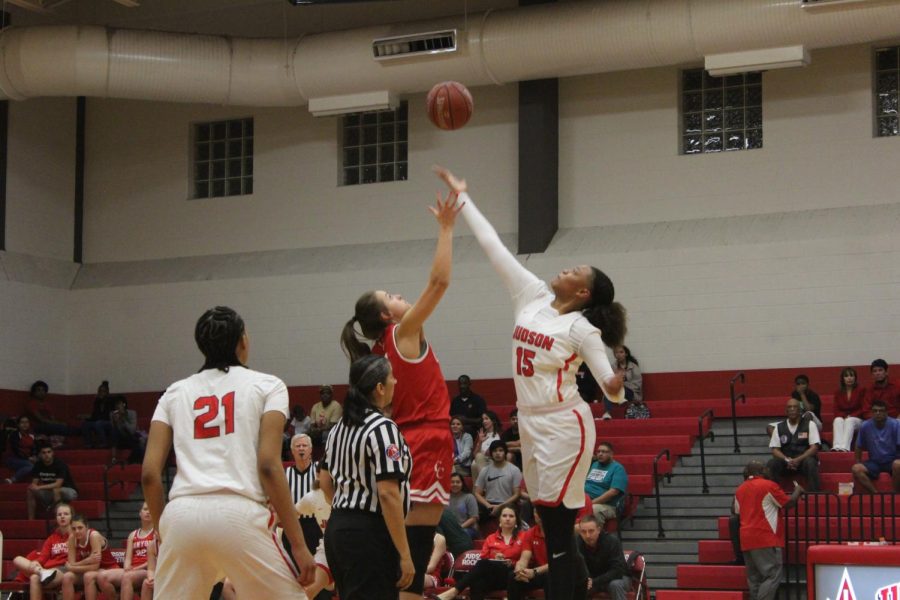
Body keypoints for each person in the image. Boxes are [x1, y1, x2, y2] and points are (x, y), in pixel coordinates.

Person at [436, 165, 625, 600]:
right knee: (548, 524)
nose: (567, 266)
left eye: (578, 268)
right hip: (532, 423)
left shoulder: (581, 329)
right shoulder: (533, 295)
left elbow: (611, 387)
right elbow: (494, 249)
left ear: (584, 293)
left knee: (558, 530)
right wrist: (463, 199)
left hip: (564, 425)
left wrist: (615, 381)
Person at [141, 306, 315, 599]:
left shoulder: (173, 392)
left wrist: (163, 533)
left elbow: (149, 475)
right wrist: (298, 543)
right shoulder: (268, 385)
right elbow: (270, 466)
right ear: (243, 341)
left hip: (181, 514)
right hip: (239, 513)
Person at [339, 189, 461, 600]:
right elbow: (440, 281)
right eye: (391, 296)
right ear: (388, 316)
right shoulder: (402, 333)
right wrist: (446, 228)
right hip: (425, 440)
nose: (399, 294)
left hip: (407, 441)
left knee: (404, 558)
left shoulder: (378, 353)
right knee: (414, 553)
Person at [318, 354, 414, 600]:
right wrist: (405, 554)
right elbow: (388, 493)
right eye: (391, 376)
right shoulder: (382, 428)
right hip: (370, 534)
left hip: (338, 528)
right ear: (380, 388)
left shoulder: (337, 429)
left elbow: (326, 483)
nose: (396, 380)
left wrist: (349, 513)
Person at [734, 460, 803, 600]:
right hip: (765, 537)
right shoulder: (768, 486)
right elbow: (788, 503)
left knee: (754, 579)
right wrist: (798, 491)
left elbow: (736, 512)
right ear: (759, 472)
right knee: (772, 574)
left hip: (746, 538)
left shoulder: (740, 489)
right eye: (764, 468)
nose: (768, 470)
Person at [435, 506, 525, 600]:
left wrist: (512, 562)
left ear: (516, 521)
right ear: (499, 520)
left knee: (481, 567)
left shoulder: (523, 537)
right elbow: (483, 559)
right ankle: (454, 592)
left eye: (511, 516)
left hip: (513, 575)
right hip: (494, 576)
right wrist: (495, 559)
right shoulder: (491, 538)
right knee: (477, 582)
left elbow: (528, 559)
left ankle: (454, 591)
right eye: (504, 516)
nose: (507, 518)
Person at [92, 502, 155, 600]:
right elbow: (128, 558)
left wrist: (135, 569)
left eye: (151, 509)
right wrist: (127, 567)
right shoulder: (133, 534)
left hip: (147, 570)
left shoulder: (157, 533)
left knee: (127, 577)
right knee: (102, 576)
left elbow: (155, 558)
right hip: (132, 569)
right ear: (140, 513)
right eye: (145, 509)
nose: (148, 512)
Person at [12, 502, 73, 599]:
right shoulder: (52, 538)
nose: (62, 517)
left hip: (63, 569)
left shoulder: (75, 535)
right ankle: (42, 572)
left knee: (35, 576)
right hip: (45, 570)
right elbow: (42, 558)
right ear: (56, 518)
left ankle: (42, 572)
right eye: (59, 514)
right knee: (18, 560)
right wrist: (36, 563)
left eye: (66, 514)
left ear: (71, 517)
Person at [60, 514, 119, 600]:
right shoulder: (72, 538)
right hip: (89, 569)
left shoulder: (93, 536)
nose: (77, 531)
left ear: (87, 527)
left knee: (88, 576)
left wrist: (73, 566)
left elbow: (95, 566)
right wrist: (87, 560)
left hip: (108, 568)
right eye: (74, 528)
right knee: (67, 577)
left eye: (80, 528)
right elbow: (71, 563)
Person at [767, 397, 821, 491]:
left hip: (803, 461)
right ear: (786, 411)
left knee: (811, 462)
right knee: (772, 463)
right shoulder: (779, 427)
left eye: (795, 407)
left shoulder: (810, 424)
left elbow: (814, 448)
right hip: (786, 462)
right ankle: (774, 493)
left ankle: (814, 494)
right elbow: (775, 449)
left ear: (800, 410)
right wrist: (787, 459)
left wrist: (798, 460)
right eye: (789, 407)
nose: (792, 409)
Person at [292, 484, 335, 599]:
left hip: (355, 548)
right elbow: (292, 513)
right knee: (305, 593)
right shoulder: (314, 496)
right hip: (329, 547)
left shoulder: (353, 494)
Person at [577, 514, 630, 600]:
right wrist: (586, 581)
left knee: (615, 585)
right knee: (578, 586)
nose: (587, 535)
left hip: (617, 577)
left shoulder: (612, 541)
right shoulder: (577, 543)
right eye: (583, 532)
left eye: (591, 531)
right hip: (594, 579)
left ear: (598, 530)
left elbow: (618, 571)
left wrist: (594, 581)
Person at [851, 400, 900, 493]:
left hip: (892, 459)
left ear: (886, 412)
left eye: (881, 411)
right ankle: (875, 494)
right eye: (875, 411)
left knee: (898, 464)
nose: (878, 413)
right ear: (872, 412)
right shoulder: (865, 425)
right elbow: (858, 446)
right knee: (856, 468)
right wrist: (858, 461)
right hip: (874, 462)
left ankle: (896, 493)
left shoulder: (896, 424)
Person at [285, 433, 322, 555]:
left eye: (304, 445)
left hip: (315, 524)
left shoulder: (319, 470)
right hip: (294, 525)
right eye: (298, 446)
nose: (301, 448)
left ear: (311, 450)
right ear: (292, 451)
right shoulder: (286, 473)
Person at [474, 440, 523, 523]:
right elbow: (477, 493)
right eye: (495, 451)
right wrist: (488, 505)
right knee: (475, 516)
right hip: (488, 504)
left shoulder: (514, 470)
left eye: (500, 450)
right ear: (491, 453)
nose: (497, 453)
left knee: (510, 511)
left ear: (505, 452)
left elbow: (517, 494)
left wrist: (500, 506)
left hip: (507, 503)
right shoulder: (485, 470)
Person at [27, 442, 78, 519]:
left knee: (56, 489)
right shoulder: (38, 465)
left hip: (68, 491)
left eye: (49, 452)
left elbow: (58, 484)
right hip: (49, 491)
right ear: (40, 455)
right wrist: (34, 487)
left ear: (53, 453)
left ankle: (59, 519)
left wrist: (39, 487)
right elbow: (34, 484)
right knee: (30, 490)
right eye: (43, 453)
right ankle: (31, 520)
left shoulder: (60, 464)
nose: (46, 455)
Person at [508, 510, 549, 600]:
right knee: (513, 577)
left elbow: (557, 563)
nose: (539, 516)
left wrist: (534, 571)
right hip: (538, 573)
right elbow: (524, 558)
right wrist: (519, 569)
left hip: (555, 573)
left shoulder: (559, 533)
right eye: (537, 512)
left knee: (549, 576)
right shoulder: (530, 533)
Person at [585, 441, 628, 523]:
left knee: (594, 509)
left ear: (611, 454)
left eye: (604, 452)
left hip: (608, 505)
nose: (600, 454)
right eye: (598, 451)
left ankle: (597, 535)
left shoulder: (618, 468)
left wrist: (591, 503)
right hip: (586, 500)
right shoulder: (593, 464)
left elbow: (613, 492)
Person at [831, 367, 864, 452]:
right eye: (846, 376)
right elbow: (836, 409)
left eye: (851, 376)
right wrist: (844, 416)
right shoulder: (838, 392)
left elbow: (863, 408)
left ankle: (845, 447)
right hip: (844, 417)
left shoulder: (861, 390)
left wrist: (851, 416)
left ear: (855, 378)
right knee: (837, 420)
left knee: (850, 420)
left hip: (858, 419)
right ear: (843, 379)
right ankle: (837, 446)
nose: (849, 378)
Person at [470, 410, 502, 482]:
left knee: (477, 462)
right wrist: (480, 442)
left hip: (492, 461)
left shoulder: (499, 434)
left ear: (493, 421)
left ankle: (484, 485)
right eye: (483, 419)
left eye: (486, 419)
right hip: (480, 461)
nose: (484, 421)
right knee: (474, 464)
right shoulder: (481, 435)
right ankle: (477, 490)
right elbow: (475, 454)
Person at [109, 396, 142, 464]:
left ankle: (128, 461)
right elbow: (114, 430)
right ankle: (113, 458)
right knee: (114, 432)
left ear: (124, 404)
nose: (117, 406)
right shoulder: (113, 414)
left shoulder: (132, 413)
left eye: (119, 404)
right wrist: (115, 421)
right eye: (116, 405)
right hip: (119, 438)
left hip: (130, 437)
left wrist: (123, 419)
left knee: (139, 448)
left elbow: (132, 430)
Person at [5, 415, 38, 483]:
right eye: (22, 422)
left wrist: (34, 456)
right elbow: (16, 450)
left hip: (26, 459)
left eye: (26, 422)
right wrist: (28, 458)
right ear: (18, 424)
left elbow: (34, 448)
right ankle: (12, 479)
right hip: (13, 458)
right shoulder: (14, 435)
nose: (25, 424)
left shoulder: (31, 435)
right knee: (31, 466)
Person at [81, 381, 113, 449]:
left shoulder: (111, 401)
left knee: (98, 423)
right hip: (98, 421)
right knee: (85, 424)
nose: (101, 393)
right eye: (100, 391)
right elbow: (94, 415)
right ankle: (88, 444)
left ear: (107, 392)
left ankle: (104, 443)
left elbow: (109, 415)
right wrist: (86, 418)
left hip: (109, 422)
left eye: (103, 391)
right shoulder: (97, 401)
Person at [448, 472, 479, 541]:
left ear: (462, 484)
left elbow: (473, 518)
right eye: (452, 482)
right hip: (449, 529)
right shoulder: (445, 498)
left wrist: (458, 528)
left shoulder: (469, 497)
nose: (455, 484)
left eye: (458, 482)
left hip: (467, 529)